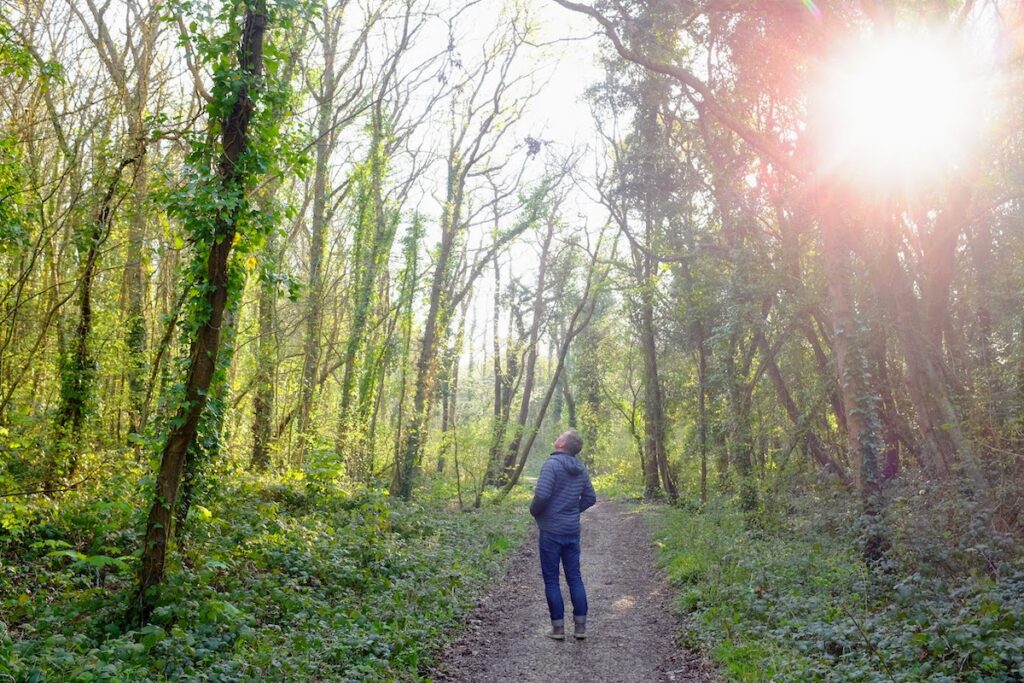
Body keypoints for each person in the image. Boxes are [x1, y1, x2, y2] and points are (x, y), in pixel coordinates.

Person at [529, 429, 597, 641]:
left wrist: (535, 511)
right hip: (571, 531)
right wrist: (572, 511)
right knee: (575, 577)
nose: (557, 436)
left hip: (551, 530)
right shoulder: (581, 469)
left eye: (561, 435)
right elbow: (590, 497)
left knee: (551, 580)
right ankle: (580, 628)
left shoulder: (551, 465)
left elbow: (542, 495)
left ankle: (558, 630)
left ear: (562, 444)